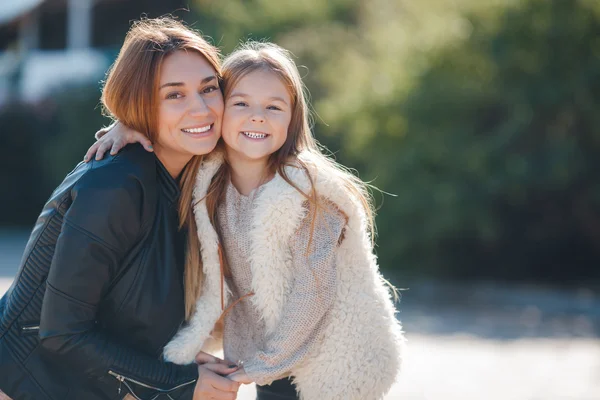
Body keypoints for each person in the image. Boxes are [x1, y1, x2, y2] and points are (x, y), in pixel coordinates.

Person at [88, 42, 405, 400]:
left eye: (274, 107)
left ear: (292, 119)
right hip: (269, 354)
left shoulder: (310, 194)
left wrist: (262, 366)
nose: (258, 116)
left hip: (333, 356)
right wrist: (126, 126)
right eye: (241, 103)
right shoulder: (209, 176)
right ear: (219, 110)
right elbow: (169, 131)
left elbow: (313, 292)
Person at [0, 18, 242, 400]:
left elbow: (121, 317)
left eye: (208, 88)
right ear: (140, 106)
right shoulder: (116, 185)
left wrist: (182, 363)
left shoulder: (189, 183)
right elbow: (63, 332)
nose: (201, 108)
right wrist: (179, 383)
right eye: (174, 95)